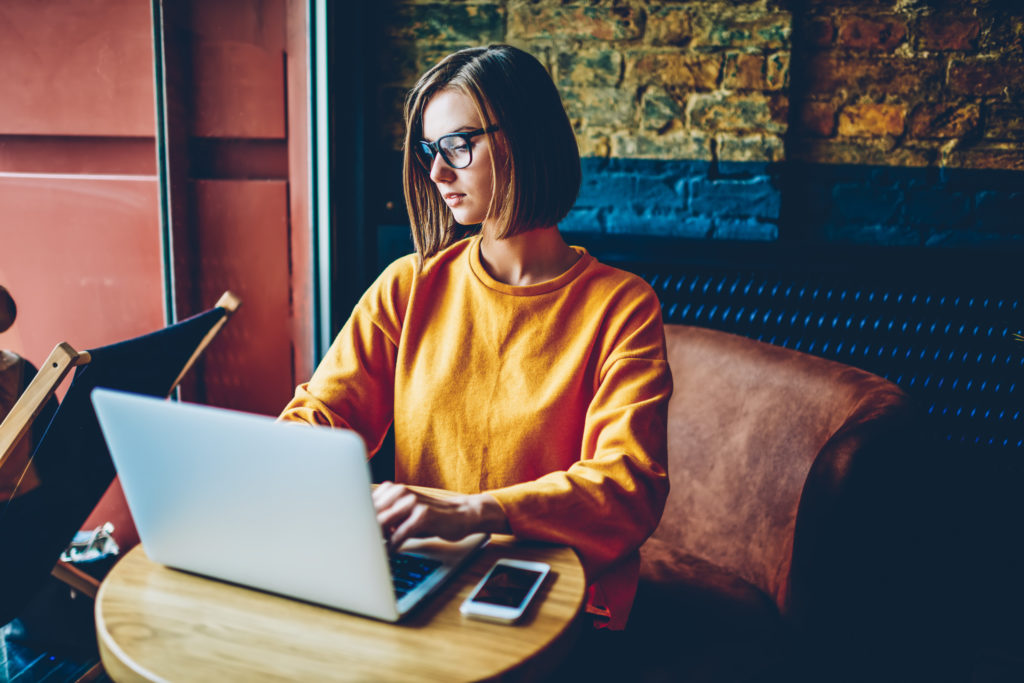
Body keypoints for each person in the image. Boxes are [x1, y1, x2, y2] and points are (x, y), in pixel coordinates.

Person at [279, 44, 672, 631]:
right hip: (426, 572)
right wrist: (272, 464)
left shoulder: (621, 305)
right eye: (429, 151)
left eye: (458, 146)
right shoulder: (409, 285)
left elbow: (625, 485)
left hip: (554, 590)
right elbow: (322, 412)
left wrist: (474, 513)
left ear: (524, 139)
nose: (438, 173)